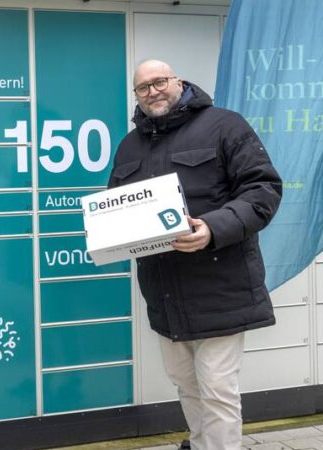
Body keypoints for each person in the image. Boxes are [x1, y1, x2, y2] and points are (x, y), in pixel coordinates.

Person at [108, 60, 282, 450]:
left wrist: (212, 229)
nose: (152, 91)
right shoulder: (129, 145)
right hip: (164, 294)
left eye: (160, 82)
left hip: (220, 286)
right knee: (187, 385)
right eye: (143, 87)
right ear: (136, 96)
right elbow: (116, 208)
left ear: (178, 82)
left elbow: (263, 191)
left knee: (218, 388)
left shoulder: (224, 125)